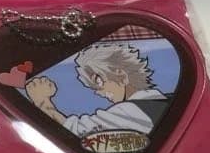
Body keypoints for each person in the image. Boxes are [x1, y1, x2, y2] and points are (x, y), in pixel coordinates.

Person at [24, 42, 170, 138]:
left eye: (98, 81)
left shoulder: (132, 111)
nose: (98, 92)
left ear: (121, 75)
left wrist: (42, 101)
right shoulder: (166, 100)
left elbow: (76, 132)